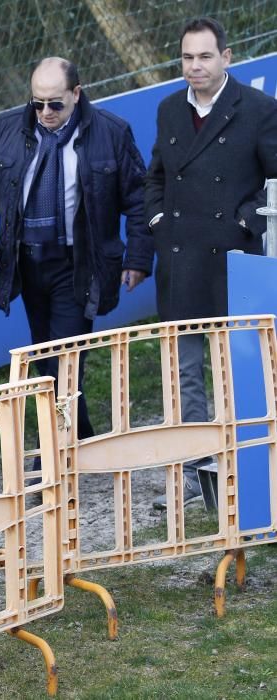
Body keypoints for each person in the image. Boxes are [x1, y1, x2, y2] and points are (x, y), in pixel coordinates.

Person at [0, 56, 152, 446]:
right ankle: (79, 438)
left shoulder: (110, 133)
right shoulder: (8, 130)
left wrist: (138, 257)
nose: (46, 112)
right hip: (27, 262)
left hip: (78, 264)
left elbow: (139, 199)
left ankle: (53, 455)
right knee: (46, 359)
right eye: (37, 103)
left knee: (62, 361)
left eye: (55, 104)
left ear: (77, 94)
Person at [145, 17, 277, 509]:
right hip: (180, 258)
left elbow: (275, 182)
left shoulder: (261, 110)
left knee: (237, 370)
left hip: (234, 264)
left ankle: (247, 472)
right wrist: (159, 221)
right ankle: (194, 475)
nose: (194, 67)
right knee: (184, 372)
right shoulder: (168, 110)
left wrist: (244, 226)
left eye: (204, 56)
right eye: (186, 57)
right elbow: (154, 175)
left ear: (227, 56)